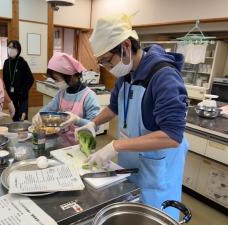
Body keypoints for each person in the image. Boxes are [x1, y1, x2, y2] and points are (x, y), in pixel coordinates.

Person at [76, 14, 188, 220]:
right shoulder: (126, 75)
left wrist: (115, 146)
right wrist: (93, 123)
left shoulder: (164, 76)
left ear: (126, 46)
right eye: (102, 63)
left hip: (157, 171)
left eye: (107, 61)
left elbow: (172, 136)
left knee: (154, 217)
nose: (108, 68)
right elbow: (113, 107)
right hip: (133, 165)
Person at [32, 52, 100, 143]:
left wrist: (77, 120)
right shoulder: (62, 93)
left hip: (80, 145)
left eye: (57, 79)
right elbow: (50, 108)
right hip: (62, 144)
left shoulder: (88, 96)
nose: (55, 82)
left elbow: (96, 126)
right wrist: (39, 114)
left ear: (71, 76)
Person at [3, 40, 34, 121]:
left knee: (23, 116)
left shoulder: (22, 62)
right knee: (14, 114)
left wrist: (23, 90)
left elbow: (30, 79)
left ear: (18, 50)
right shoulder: (6, 63)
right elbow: (5, 79)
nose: (11, 49)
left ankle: (25, 129)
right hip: (11, 94)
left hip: (22, 93)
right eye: (9, 47)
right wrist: (6, 92)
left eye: (13, 47)